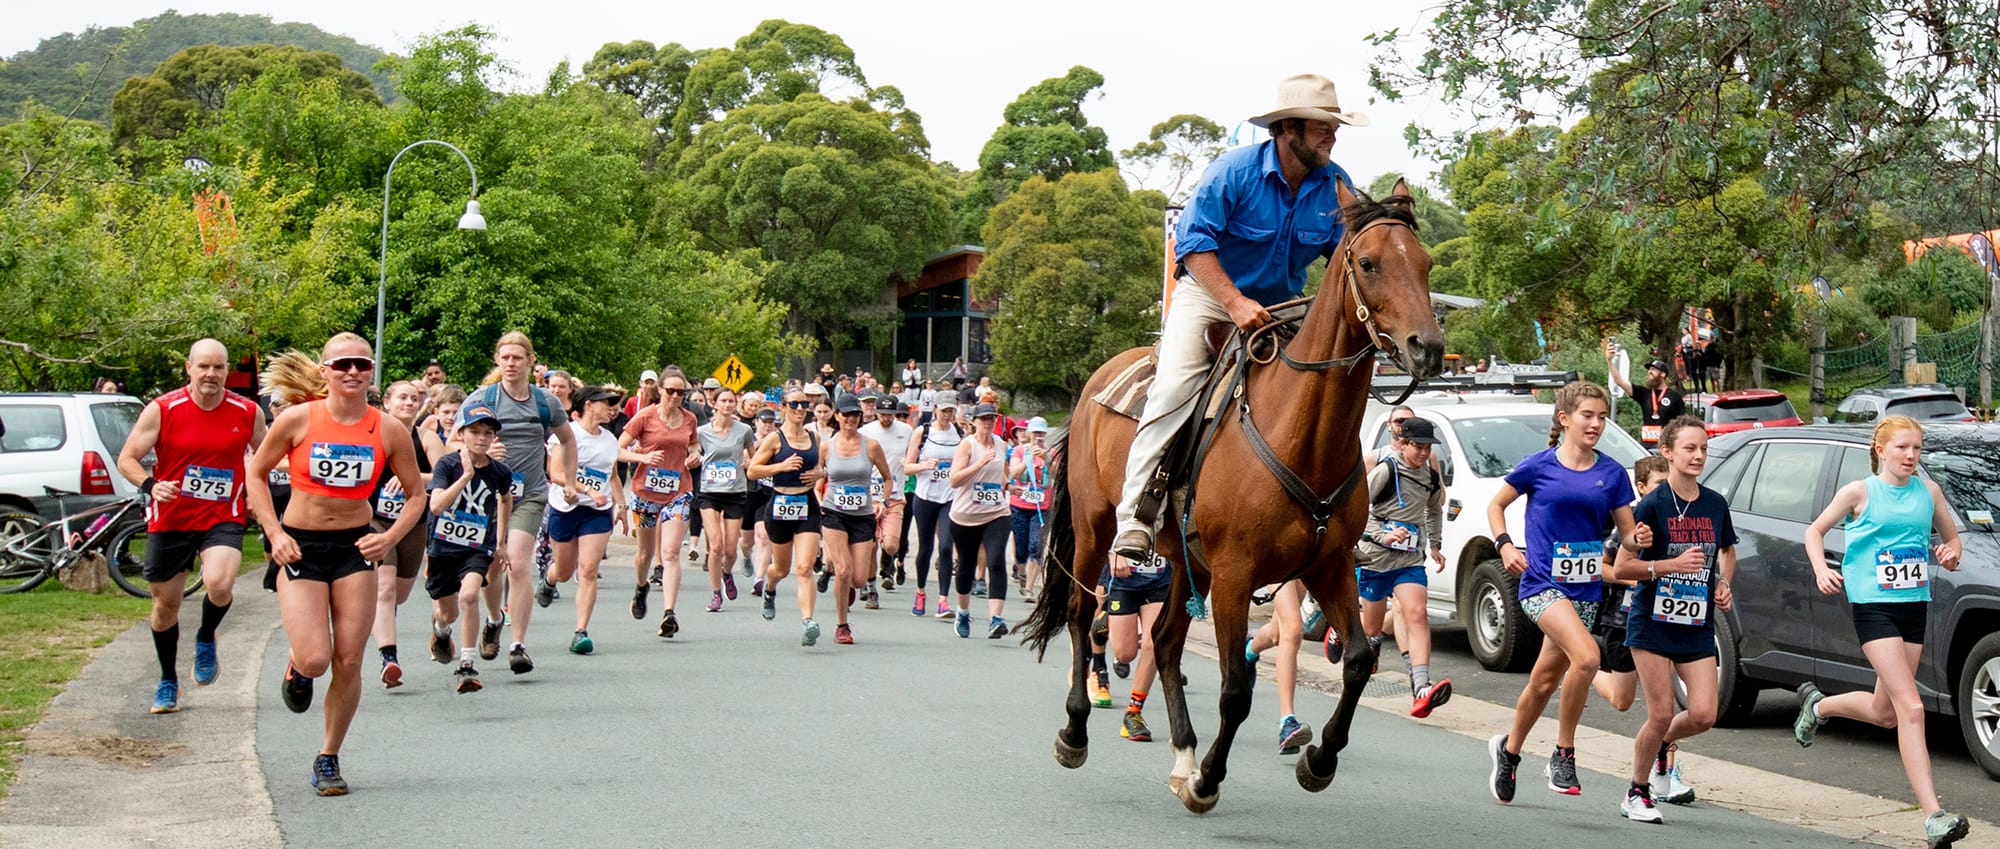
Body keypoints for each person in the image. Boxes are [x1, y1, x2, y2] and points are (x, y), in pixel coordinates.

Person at [1112, 73, 1366, 561]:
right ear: (1288, 128)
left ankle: (1332, 521)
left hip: (1283, 306)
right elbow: (1193, 244)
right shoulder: (1233, 171)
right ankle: (1137, 517)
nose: (1332, 135)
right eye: (1322, 126)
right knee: (1173, 389)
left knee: (1326, 388)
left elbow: (1348, 259)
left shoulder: (1336, 185)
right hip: (1210, 296)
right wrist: (1234, 302)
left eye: (1334, 126)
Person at [245, 333, 428, 796]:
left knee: (349, 658)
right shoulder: (298, 419)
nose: (352, 372)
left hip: (355, 547)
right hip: (301, 546)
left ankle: (328, 756)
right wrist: (275, 534)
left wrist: (388, 537)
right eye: (342, 364)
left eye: (361, 365)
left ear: (371, 373)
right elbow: (256, 473)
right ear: (325, 371)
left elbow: (416, 495)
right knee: (316, 657)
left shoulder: (388, 429)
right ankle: (297, 667)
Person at [1794, 416, 1970, 849]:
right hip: (1874, 608)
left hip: (1913, 607)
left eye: (1916, 448)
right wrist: (1820, 570)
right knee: (1911, 707)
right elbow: (1813, 531)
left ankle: (1818, 706)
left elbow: (1953, 542)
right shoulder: (1860, 492)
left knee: (1885, 712)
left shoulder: (1929, 492)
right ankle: (1933, 816)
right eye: (1902, 448)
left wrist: (1950, 555)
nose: (1910, 456)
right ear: (1880, 450)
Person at [1485, 381, 1647, 804]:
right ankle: (1563, 753)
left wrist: (1640, 539)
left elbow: (1628, 536)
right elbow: (1495, 505)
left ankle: (1509, 751)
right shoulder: (1538, 466)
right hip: (1541, 584)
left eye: (1602, 417)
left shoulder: (1612, 473)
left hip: (1585, 591)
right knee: (1588, 658)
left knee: (1543, 682)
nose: (1596, 424)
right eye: (1587, 415)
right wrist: (1505, 545)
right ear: (1565, 418)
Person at [116, 339, 266, 714]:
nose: (210, 374)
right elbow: (127, 458)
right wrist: (151, 485)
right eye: (203, 367)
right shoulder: (163, 409)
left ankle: (206, 635)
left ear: (227, 371)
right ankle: (168, 679)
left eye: (218, 367)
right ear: (189, 369)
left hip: (222, 516)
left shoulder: (248, 412)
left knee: (220, 582)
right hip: (172, 518)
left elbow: (265, 456)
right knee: (165, 606)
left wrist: (258, 491)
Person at [1611, 416, 1736, 824]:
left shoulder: (1715, 504)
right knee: (1661, 711)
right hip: (1652, 621)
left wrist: (1723, 583)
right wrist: (1670, 565)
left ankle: (1661, 745)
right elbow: (1622, 567)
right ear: (1667, 452)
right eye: (1689, 448)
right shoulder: (1651, 505)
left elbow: (1727, 551)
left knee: (1704, 714)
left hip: (1696, 623)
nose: (1698, 455)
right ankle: (1637, 790)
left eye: (1703, 449)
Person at [463, 332, 577, 674]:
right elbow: (456, 442)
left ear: (530, 361)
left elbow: (567, 441)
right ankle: (495, 618)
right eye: (505, 357)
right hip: (487, 495)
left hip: (529, 494)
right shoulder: (483, 398)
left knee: (517, 562)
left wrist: (570, 481)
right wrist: (483, 449)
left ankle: (518, 645)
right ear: (497, 360)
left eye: (517, 357)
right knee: (492, 566)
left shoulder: (545, 402)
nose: (511, 363)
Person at [1590, 454, 1698, 803]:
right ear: (1641, 487)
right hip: (1622, 620)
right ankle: (1585, 668)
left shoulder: (1680, 518)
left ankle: (1665, 770)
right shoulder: (1633, 522)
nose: (1668, 489)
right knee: (1622, 700)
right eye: (1659, 484)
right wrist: (1638, 578)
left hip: (1663, 619)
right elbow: (1604, 567)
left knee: (1664, 707)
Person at [1354, 417, 1452, 718]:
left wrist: (1435, 544)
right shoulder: (1386, 470)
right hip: (1376, 558)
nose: (1423, 453)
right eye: (1418, 447)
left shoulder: (1430, 476)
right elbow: (1356, 508)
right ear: (1403, 444)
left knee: (1417, 613)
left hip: (1409, 560)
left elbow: (1434, 509)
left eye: (1428, 448)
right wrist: (1382, 535)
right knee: (1372, 629)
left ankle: (1421, 687)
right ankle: (1353, 635)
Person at [422, 402, 511, 693]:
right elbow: (436, 505)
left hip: (477, 546)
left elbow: (506, 499)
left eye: (488, 433)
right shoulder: (447, 465)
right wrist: (465, 477)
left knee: (470, 595)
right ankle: (441, 630)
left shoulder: (499, 471)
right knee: (448, 613)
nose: (482, 438)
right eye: (475, 432)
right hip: (443, 546)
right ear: (461, 433)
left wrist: (501, 542)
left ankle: (467, 663)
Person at [534, 385, 626, 654]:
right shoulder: (566, 434)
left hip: (596, 511)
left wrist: (622, 505)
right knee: (564, 571)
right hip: (565, 507)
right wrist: (586, 489)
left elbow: (611, 476)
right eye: (605, 403)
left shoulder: (610, 440)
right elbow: (555, 473)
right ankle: (549, 580)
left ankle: (581, 631)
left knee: (587, 569)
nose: (611, 408)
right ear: (588, 405)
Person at [746, 389, 830, 645]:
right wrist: (780, 466)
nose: (800, 408)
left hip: (807, 505)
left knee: (804, 567)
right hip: (780, 504)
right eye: (794, 404)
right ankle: (770, 588)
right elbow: (752, 471)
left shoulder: (814, 437)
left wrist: (820, 474)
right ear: (783, 407)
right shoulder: (775, 438)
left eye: (804, 404)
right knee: (781, 569)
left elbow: (820, 468)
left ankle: (808, 622)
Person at [619, 372, 699, 637]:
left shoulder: (689, 418)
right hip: (645, 494)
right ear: (661, 390)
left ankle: (669, 613)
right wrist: (642, 458)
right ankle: (641, 586)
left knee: (671, 552)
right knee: (645, 554)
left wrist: (695, 455)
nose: (675, 396)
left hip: (678, 491)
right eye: (671, 391)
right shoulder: (645, 416)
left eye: (681, 392)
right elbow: (618, 449)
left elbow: (694, 443)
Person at [367, 380, 431, 689]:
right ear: (387, 403)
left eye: (414, 398)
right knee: (385, 588)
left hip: (412, 523)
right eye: (402, 397)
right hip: (375, 519)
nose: (409, 403)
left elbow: (447, 473)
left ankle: (381, 615)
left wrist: (413, 477)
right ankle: (389, 659)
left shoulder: (425, 437)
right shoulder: (373, 434)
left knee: (399, 595)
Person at [818, 394, 896, 643]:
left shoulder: (870, 445)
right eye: (846, 414)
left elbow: (887, 478)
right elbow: (818, 476)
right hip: (834, 513)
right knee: (843, 570)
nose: (850, 419)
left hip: (862, 515)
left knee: (859, 578)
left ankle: (846, 587)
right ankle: (842, 626)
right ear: (837, 416)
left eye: (855, 415)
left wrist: (882, 501)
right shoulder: (827, 446)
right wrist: (818, 499)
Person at [947, 403, 1014, 639]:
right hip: (965, 515)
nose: (988, 423)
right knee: (967, 564)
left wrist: (1009, 486)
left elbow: (1001, 473)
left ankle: (996, 619)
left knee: (996, 560)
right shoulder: (967, 445)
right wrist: (979, 463)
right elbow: (954, 480)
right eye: (983, 418)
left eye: (991, 418)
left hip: (996, 512)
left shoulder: (1001, 444)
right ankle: (963, 612)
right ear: (974, 421)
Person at [693, 388, 754, 613]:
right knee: (716, 546)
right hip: (709, 491)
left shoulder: (744, 430)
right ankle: (716, 593)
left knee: (730, 551)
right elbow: (692, 451)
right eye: (724, 401)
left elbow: (754, 456)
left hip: (735, 492)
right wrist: (693, 458)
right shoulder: (702, 431)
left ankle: (727, 572)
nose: (728, 405)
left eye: (731, 401)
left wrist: (750, 463)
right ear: (714, 404)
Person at [906, 398, 963, 618]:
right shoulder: (923, 432)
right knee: (925, 547)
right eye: (944, 411)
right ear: (935, 409)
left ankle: (943, 600)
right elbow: (908, 467)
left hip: (950, 497)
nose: (948, 415)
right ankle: (920, 592)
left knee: (947, 547)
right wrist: (924, 465)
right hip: (925, 496)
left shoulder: (959, 433)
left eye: (951, 411)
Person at [1106, 550, 1170, 743]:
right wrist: (1111, 553)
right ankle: (1102, 623)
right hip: (1124, 578)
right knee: (1125, 654)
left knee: (1155, 642)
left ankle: (1133, 712)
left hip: (1160, 578)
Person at [860, 395, 914, 592]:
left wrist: (910, 465)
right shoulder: (865, 431)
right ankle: (870, 584)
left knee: (891, 545)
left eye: (890, 414)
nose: (886, 418)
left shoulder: (906, 431)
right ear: (876, 413)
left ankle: (887, 558)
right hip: (870, 494)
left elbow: (912, 456)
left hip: (895, 494)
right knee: (870, 544)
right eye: (882, 414)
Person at [1605, 340, 1686, 449]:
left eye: (1653, 369)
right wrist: (1609, 360)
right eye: (1649, 370)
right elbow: (1619, 381)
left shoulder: (1674, 396)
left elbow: (1682, 423)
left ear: (1663, 374)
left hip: (1666, 446)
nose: (1649, 372)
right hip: (1645, 447)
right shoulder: (1643, 393)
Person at [1005, 417, 1050, 599]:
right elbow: (1014, 473)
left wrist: (1046, 458)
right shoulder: (1019, 451)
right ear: (1029, 433)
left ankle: (1030, 588)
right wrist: (1029, 458)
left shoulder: (1051, 452)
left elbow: (1059, 473)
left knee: (1036, 546)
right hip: (1020, 505)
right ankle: (1022, 572)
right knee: (1021, 548)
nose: (1037, 436)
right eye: (1034, 433)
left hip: (1042, 507)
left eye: (1041, 433)